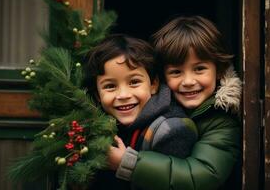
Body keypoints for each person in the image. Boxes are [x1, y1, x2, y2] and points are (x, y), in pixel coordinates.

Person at [109, 16, 242, 190]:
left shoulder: (222, 122)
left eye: (199, 69)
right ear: (162, 76)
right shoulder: (157, 108)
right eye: (176, 72)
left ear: (219, 70)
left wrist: (128, 163)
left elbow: (202, 176)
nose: (188, 81)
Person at [83, 34, 198, 189]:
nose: (123, 95)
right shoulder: (103, 128)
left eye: (134, 82)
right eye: (110, 86)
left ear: (154, 84)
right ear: (97, 95)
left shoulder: (172, 129)